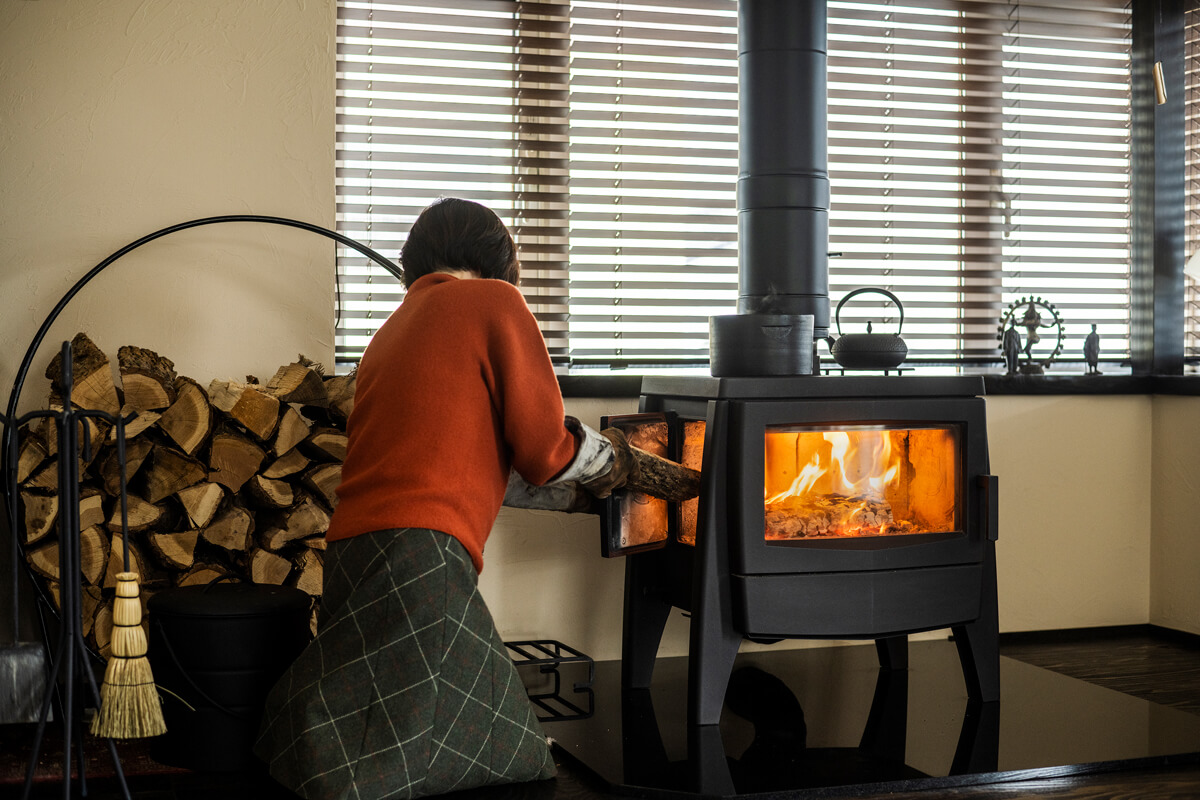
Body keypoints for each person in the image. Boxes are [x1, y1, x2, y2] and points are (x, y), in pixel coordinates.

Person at [254, 197, 633, 800]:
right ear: (500, 260)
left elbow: (456, 453)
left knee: (370, 693)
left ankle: (299, 750)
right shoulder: (495, 303)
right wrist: (615, 459)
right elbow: (543, 451)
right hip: (421, 550)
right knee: (511, 744)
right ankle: (333, 775)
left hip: (353, 547)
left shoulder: (391, 330)